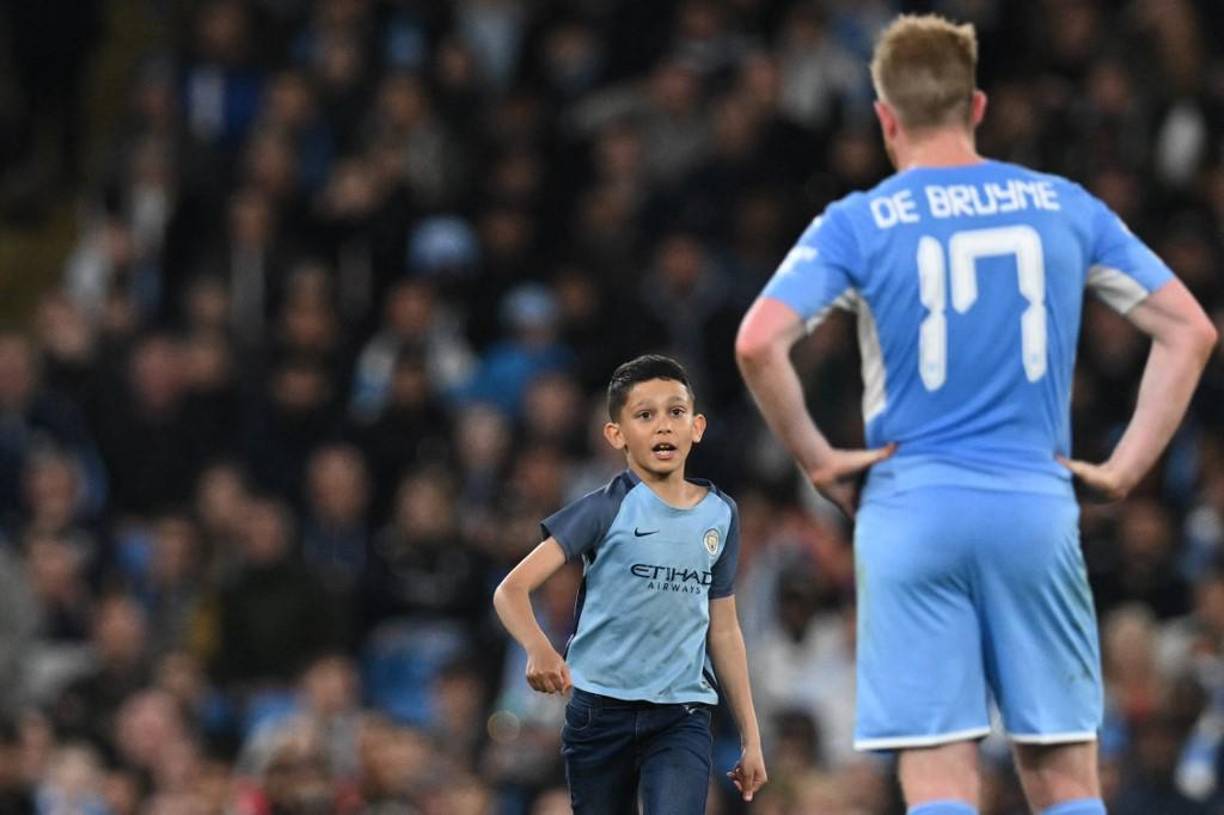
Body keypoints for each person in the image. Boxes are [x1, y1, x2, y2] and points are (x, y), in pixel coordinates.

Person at [735, 14, 1217, 815]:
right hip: (1034, 504)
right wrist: (1129, 464)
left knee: (939, 776)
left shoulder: (859, 220)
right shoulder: (1063, 205)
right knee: (1064, 776)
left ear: (886, 117)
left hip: (910, 506)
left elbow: (758, 343)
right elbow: (1189, 329)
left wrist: (819, 458)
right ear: (979, 106)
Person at [493, 354, 767, 813]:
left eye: (675, 412)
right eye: (645, 415)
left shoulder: (722, 515)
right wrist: (540, 648)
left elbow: (723, 629)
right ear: (615, 435)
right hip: (600, 712)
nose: (663, 426)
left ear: (697, 427)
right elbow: (511, 590)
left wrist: (751, 737)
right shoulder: (603, 509)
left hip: (681, 715)